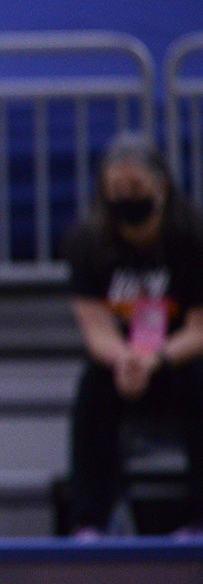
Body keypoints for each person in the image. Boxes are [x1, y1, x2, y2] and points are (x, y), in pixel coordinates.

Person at [65, 132, 203, 538]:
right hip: (122, 362)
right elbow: (95, 327)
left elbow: (199, 327)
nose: (127, 196)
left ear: (161, 187)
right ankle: (89, 520)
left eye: (136, 187)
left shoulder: (192, 237)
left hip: (179, 356)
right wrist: (125, 359)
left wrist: (156, 359)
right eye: (117, 189)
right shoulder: (87, 243)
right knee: (92, 389)